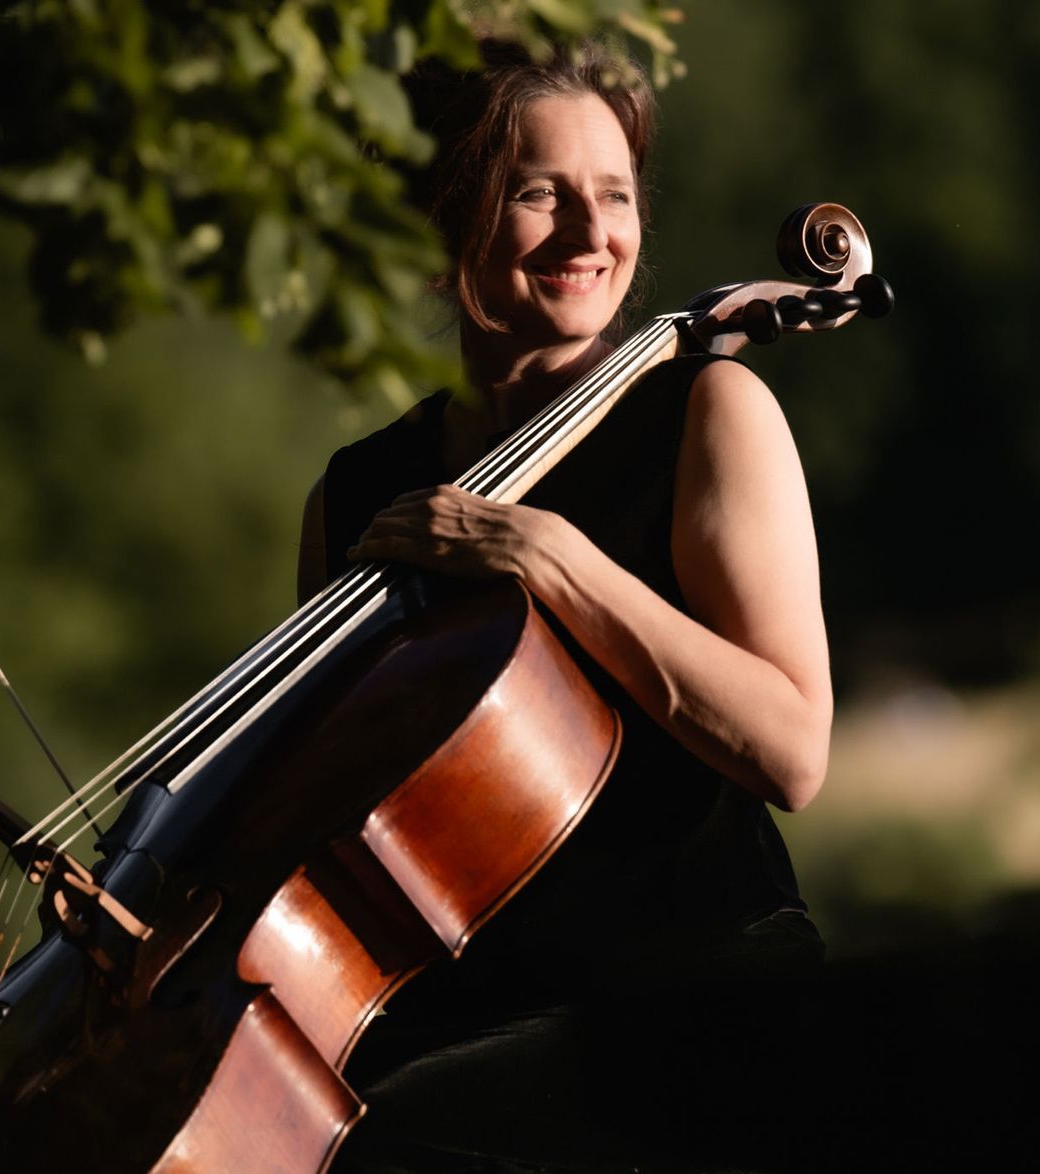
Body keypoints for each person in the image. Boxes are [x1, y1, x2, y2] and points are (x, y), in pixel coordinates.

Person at [300, 42, 832, 1172]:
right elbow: (317, 809)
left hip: (694, 994)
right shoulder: (361, 493)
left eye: (617, 196)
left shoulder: (707, 413)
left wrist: (548, 554)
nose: (593, 236)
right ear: (443, 229)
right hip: (464, 1008)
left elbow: (793, 748)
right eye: (539, 193)